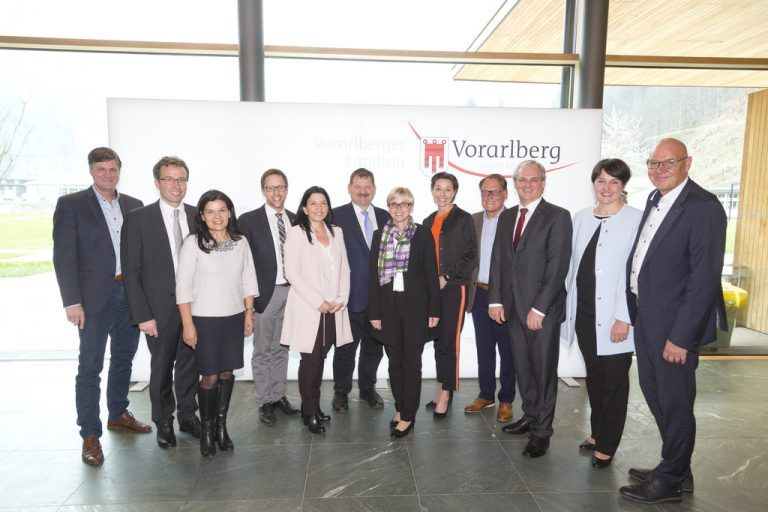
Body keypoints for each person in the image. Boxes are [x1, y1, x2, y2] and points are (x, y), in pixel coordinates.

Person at [619, 139, 727, 504]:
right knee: (656, 395)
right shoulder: (656, 199)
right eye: (653, 163)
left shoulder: (704, 208)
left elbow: (703, 280)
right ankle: (676, 466)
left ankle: (669, 482)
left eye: (668, 163)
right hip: (647, 320)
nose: (659, 169)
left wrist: (681, 337)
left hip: (674, 328)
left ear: (687, 163)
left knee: (676, 402)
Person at [53, 147, 151, 466]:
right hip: (94, 297)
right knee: (91, 364)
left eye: (112, 169)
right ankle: (90, 434)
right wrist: (72, 301)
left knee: (124, 357)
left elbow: (143, 256)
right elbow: (64, 256)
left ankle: (118, 413)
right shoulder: (71, 205)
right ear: (91, 171)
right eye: (101, 169)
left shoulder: (135, 206)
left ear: (119, 171)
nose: (107, 174)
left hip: (130, 293)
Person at [561, 159, 642, 468]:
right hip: (584, 313)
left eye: (614, 182)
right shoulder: (581, 218)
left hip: (615, 317)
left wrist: (625, 316)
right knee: (594, 376)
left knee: (614, 381)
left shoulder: (636, 219)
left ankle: (607, 444)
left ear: (623, 186)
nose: (607, 188)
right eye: (601, 181)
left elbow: (635, 271)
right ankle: (597, 432)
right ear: (593, 183)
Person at [489, 159, 572, 458]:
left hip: (541, 313)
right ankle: (530, 416)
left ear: (543, 182)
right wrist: (496, 300)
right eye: (522, 179)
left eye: (533, 179)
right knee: (524, 370)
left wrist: (539, 309)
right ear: (514, 183)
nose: (527, 184)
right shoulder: (508, 216)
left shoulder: (558, 217)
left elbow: (557, 267)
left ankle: (542, 432)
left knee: (543, 372)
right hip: (512, 309)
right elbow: (499, 260)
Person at [121, 156, 201, 449]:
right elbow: (131, 271)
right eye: (169, 179)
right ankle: (164, 422)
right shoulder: (139, 219)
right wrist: (143, 315)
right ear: (157, 182)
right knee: (162, 368)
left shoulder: (197, 215)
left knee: (191, 366)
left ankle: (188, 417)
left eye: (181, 179)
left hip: (195, 308)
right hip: (159, 310)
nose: (176, 185)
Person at [176, 190, 258, 458]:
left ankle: (222, 427)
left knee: (227, 373)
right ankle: (207, 431)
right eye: (210, 211)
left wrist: (248, 313)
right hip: (204, 319)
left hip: (234, 316)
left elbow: (248, 279)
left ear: (230, 212)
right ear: (201, 215)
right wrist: (188, 325)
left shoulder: (240, 241)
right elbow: (183, 287)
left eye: (222, 210)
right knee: (209, 375)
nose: (217, 216)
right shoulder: (193, 243)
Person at [368, 187, 440, 438]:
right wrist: (374, 313)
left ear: (411, 207)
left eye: (404, 204)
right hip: (387, 309)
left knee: (412, 364)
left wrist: (434, 309)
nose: (399, 209)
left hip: (416, 310)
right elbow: (372, 277)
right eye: (394, 204)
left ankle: (408, 415)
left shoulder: (422, 234)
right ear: (388, 207)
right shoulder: (379, 235)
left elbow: (432, 273)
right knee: (394, 364)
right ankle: (400, 408)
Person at [281, 186, 353, 434]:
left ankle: (313, 406)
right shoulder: (296, 233)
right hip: (309, 308)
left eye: (323, 203)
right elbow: (292, 273)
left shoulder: (337, 232)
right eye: (313, 203)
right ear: (304, 208)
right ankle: (309, 411)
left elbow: (344, 269)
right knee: (310, 360)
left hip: (334, 308)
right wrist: (318, 301)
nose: (319, 208)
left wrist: (342, 297)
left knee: (321, 357)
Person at [239, 169, 299, 426]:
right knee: (263, 350)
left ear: (287, 189)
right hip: (265, 294)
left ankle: (278, 396)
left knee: (282, 347)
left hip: (293, 293)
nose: (277, 192)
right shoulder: (248, 220)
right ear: (263, 190)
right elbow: (243, 263)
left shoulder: (297, 219)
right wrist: (248, 303)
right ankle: (264, 400)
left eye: (281, 187)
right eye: (271, 187)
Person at [331, 168, 389, 412]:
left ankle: (368, 389)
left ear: (374, 189)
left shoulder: (386, 216)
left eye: (367, 186)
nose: (363, 191)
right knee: (345, 349)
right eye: (358, 186)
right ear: (349, 188)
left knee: (374, 349)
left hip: (380, 300)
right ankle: (341, 393)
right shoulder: (335, 216)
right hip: (349, 297)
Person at [422, 172, 477, 420]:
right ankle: (442, 387)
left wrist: (446, 277)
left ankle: (446, 393)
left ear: (454, 192)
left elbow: (470, 256)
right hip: (431, 290)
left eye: (447, 189)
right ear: (432, 191)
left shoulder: (463, 219)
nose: (442, 194)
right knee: (437, 340)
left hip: (454, 288)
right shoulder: (427, 220)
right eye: (438, 189)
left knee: (449, 341)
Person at [464, 174, 516, 423]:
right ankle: (486, 394)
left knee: (508, 350)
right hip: (480, 293)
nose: (489, 197)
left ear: (505, 194)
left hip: (505, 297)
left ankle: (506, 399)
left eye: (494, 192)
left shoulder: (515, 220)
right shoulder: (473, 221)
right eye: (485, 192)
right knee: (484, 348)